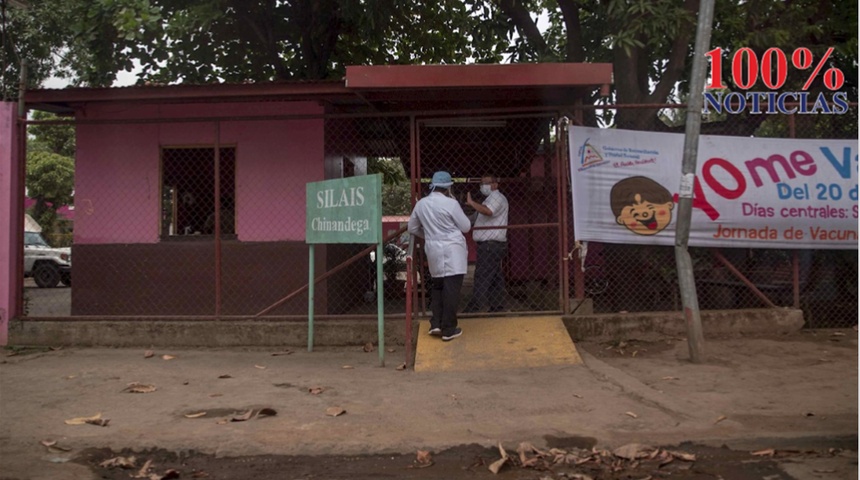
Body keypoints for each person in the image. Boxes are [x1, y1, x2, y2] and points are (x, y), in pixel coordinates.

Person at [408, 171, 471, 341]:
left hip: (433, 249)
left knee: (437, 288)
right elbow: (465, 227)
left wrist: (429, 234)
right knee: (451, 289)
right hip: (453, 249)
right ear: (448, 187)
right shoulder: (451, 203)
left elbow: (412, 228)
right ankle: (449, 329)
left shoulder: (421, 204)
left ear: (433, 186)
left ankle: (435, 323)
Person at [464, 175, 509, 313]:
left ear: (495, 184)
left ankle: (475, 306)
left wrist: (472, 203)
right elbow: (475, 218)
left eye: (486, 183)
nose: (483, 186)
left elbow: (489, 211)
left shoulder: (496, 198)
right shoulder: (488, 200)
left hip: (491, 244)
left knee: (482, 275)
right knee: (494, 276)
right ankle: (497, 306)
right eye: (481, 184)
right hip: (490, 245)